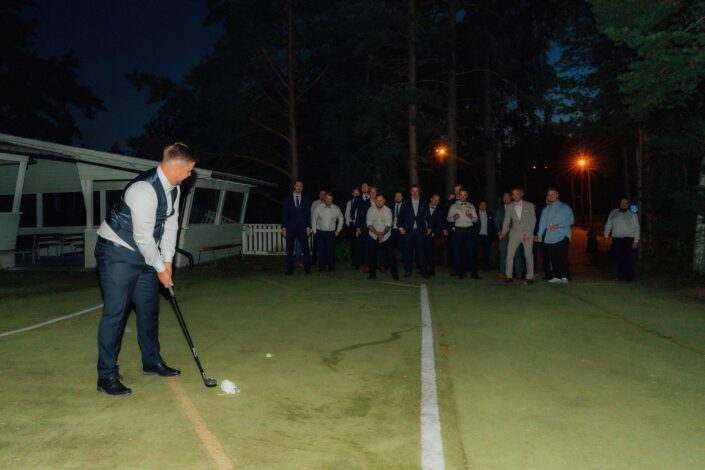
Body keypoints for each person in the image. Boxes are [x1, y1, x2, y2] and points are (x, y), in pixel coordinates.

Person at [94, 142, 196, 396]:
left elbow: (170, 226)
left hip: (145, 254)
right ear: (176, 167)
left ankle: (151, 361)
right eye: (188, 170)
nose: (189, 175)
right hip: (117, 252)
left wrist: (168, 262)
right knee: (116, 313)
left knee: (148, 309)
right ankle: (106, 376)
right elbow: (142, 238)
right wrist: (160, 267)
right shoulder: (143, 190)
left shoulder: (175, 189)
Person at [536, 187, 574, 283]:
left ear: (557, 195)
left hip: (562, 236)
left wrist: (558, 225)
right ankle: (557, 276)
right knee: (553, 258)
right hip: (549, 238)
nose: (551, 196)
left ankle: (565, 276)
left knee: (562, 257)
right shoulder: (545, 210)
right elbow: (542, 223)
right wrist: (539, 235)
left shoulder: (565, 207)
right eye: (549, 194)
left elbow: (571, 220)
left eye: (553, 194)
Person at [499, 187, 536, 283]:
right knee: (509, 255)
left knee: (528, 255)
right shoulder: (509, 206)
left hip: (527, 233)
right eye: (513, 194)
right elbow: (506, 221)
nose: (515, 196)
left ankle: (529, 276)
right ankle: (509, 276)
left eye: (517, 194)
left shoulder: (529, 205)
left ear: (521, 194)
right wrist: (503, 232)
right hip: (514, 233)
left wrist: (528, 233)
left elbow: (533, 220)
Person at [397, 184, 430, 278]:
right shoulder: (405, 203)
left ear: (419, 192)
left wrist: (430, 228)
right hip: (408, 232)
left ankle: (424, 272)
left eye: (416, 191)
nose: (415, 193)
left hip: (420, 232)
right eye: (413, 191)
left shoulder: (424, 203)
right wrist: (400, 228)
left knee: (421, 253)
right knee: (407, 253)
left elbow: (428, 217)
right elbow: (400, 217)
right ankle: (408, 271)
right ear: (410, 192)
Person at [604, 198, 640, 281]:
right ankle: (620, 276)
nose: (623, 205)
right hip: (617, 239)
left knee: (627, 258)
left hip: (628, 239)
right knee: (618, 258)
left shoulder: (632, 214)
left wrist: (636, 241)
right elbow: (608, 224)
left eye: (625, 203)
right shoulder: (613, 212)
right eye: (622, 203)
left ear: (628, 204)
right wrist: (606, 235)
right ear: (619, 203)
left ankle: (629, 277)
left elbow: (636, 228)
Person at [447, 189, 480, 279]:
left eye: (464, 195)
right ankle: (461, 273)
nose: (463, 196)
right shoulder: (453, 206)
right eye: (461, 195)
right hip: (459, 230)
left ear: (467, 196)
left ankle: (474, 274)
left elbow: (476, 219)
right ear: (459, 195)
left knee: (472, 252)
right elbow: (448, 218)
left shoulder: (471, 206)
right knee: (459, 252)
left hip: (469, 230)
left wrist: (471, 217)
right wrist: (454, 218)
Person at [282, 180, 312, 275]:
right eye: (297, 186)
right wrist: (283, 227)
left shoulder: (306, 199)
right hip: (290, 227)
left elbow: (308, 214)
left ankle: (307, 269)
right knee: (289, 249)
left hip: (302, 227)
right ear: (294, 186)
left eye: (301, 186)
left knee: (305, 249)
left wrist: (308, 226)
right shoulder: (288, 198)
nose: (299, 187)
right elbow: (285, 213)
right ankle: (289, 270)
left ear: (302, 188)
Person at [366, 194, 399, 280]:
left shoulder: (388, 210)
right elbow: (369, 224)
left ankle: (395, 275)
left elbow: (388, 225)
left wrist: (382, 234)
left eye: (381, 200)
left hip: (386, 235)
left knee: (390, 255)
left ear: (384, 201)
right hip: (373, 234)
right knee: (372, 255)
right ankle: (372, 274)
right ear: (375, 201)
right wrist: (378, 234)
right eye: (377, 200)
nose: (379, 202)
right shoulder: (370, 210)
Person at [312, 193, 344, 273]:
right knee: (321, 251)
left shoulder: (336, 208)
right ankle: (322, 268)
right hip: (320, 232)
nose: (328, 200)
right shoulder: (318, 207)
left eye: (330, 199)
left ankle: (331, 268)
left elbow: (341, 219)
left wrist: (338, 230)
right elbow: (313, 219)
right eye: (327, 198)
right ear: (324, 199)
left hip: (331, 233)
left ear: (332, 200)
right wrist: (315, 231)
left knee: (331, 251)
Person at [495, 192, 524, 279]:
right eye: (504, 197)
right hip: (503, 235)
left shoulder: (516, 207)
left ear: (511, 197)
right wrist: (499, 232)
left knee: (517, 254)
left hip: (515, 234)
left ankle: (519, 273)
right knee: (503, 254)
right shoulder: (499, 210)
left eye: (507, 197)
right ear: (502, 199)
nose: (506, 198)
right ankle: (503, 272)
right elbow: (497, 222)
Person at [352, 183, 371, 270]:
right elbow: (352, 211)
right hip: (360, 226)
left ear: (368, 188)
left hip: (370, 226)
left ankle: (367, 264)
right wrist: (356, 225)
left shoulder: (372, 198)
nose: (364, 188)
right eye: (363, 187)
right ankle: (357, 264)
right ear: (361, 188)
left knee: (368, 245)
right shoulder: (357, 198)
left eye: (366, 186)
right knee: (358, 245)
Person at [427, 194, 446, 276]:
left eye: (438, 200)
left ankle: (431, 270)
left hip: (433, 234)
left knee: (431, 252)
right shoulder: (423, 207)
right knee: (422, 252)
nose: (436, 201)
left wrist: (434, 233)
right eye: (435, 199)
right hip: (422, 233)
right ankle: (423, 268)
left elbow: (440, 224)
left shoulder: (440, 211)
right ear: (431, 199)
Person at [476, 201, 496, 270]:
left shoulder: (490, 213)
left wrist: (493, 235)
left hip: (487, 236)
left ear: (486, 206)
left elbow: (493, 225)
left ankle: (485, 267)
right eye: (481, 204)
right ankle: (475, 266)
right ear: (479, 205)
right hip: (477, 235)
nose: (483, 206)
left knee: (486, 252)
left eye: (484, 205)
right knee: (475, 251)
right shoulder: (475, 213)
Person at [310, 190, 327, 264]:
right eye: (321, 194)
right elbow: (311, 215)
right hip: (317, 227)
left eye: (324, 194)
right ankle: (314, 260)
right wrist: (312, 226)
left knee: (325, 244)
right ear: (319, 195)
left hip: (326, 227)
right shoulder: (315, 203)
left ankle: (324, 259)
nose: (323, 196)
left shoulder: (328, 202)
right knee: (316, 244)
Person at [344, 188, 360, 266]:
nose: (356, 194)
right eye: (355, 193)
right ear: (352, 194)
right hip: (352, 225)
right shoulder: (349, 202)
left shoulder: (362, 202)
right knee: (353, 244)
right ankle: (354, 261)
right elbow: (347, 214)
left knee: (360, 243)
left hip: (360, 225)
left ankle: (361, 260)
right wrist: (348, 224)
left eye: (357, 193)